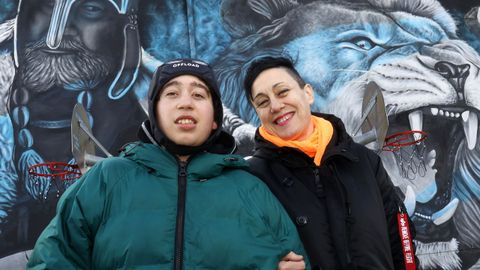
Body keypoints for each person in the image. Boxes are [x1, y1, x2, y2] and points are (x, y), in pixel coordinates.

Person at [26, 58, 308, 269]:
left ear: (214, 120)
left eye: (199, 95)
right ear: (155, 114)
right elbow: (53, 258)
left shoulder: (251, 189)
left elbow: (295, 261)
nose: (185, 103)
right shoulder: (106, 179)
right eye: (171, 94)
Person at [243, 56, 416, 270]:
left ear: (308, 93)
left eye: (282, 92)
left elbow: (401, 242)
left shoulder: (365, 162)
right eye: (262, 102)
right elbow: (241, 254)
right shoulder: (251, 178)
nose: (276, 106)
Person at [2, 0, 147, 255]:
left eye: (91, 8)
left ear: (125, 28)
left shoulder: (146, 128)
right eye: (45, 6)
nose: (54, 37)